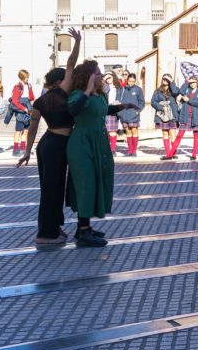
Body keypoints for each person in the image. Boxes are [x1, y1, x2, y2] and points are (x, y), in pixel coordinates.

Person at [18, 27, 82, 246]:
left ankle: (54, 228)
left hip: (45, 144)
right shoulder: (61, 93)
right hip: (57, 145)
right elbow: (71, 64)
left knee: (49, 188)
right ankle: (46, 234)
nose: (70, 80)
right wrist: (77, 43)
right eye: (66, 79)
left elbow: (33, 128)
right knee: (53, 190)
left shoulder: (40, 101)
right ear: (58, 82)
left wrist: (27, 152)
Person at [66, 60, 123, 247]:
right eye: (97, 74)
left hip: (98, 143)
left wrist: (122, 107)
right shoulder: (78, 94)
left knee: (96, 182)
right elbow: (73, 109)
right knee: (86, 184)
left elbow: (103, 110)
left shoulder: (99, 95)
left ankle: (85, 227)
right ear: (88, 77)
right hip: (82, 144)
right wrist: (87, 90)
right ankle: (83, 232)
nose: (100, 76)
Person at [175, 75, 198, 160]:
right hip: (192, 115)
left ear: (197, 83)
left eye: (193, 82)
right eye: (190, 83)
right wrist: (186, 82)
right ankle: (171, 154)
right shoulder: (188, 90)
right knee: (182, 134)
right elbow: (181, 92)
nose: (192, 84)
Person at [151, 75, 181, 160]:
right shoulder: (157, 91)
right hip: (162, 114)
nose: (164, 80)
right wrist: (160, 106)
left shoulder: (173, 90)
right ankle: (168, 153)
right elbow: (153, 102)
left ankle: (173, 153)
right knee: (165, 134)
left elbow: (176, 92)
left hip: (172, 115)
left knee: (172, 134)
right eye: (163, 79)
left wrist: (172, 82)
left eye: (166, 79)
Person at [116, 73, 145, 157]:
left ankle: (134, 151)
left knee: (134, 131)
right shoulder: (122, 89)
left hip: (134, 114)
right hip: (124, 114)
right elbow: (117, 100)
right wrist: (120, 112)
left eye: (133, 81)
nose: (131, 83)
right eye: (129, 81)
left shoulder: (138, 89)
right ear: (127, 80)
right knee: (128, 132)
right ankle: (130, 151)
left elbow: (141, 102)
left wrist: (138, 111)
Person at [8, 70, 35, 157]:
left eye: (28, 77)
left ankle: (23, 148)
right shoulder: (17, 87)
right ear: (22, 78)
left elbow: (31, 98)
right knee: (18, 130)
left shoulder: (28, 85)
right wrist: (24, 108)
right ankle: (15, 149)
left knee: (26, 130)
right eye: (26, 77)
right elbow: (15, 101)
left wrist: (30, 89)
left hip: (28, 109)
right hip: (20, 111)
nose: (27, 79)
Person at [103, 72, 121, 153]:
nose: (108, 79)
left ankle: (112, 150)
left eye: (110, 77)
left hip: (114, 110)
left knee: (112, 131)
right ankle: (105, 149)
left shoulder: (118, 88)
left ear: (114, 77)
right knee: (104, 132)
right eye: (107, 78)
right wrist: (104, 81)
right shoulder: (103, 87)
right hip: (105, 110)